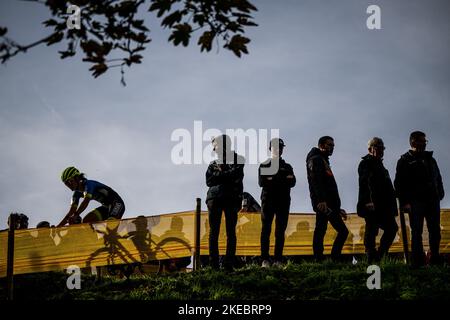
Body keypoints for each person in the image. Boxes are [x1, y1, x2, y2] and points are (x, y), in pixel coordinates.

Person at [394, 131, 445, 267]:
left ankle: (435, 260)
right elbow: (399, 183)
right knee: (416, 232)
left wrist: (440, 193)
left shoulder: (430, 159)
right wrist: (404, 202)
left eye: (425, 141)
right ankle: (418, 262)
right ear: (413, 142)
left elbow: (438, 177)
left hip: (433, 200)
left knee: (435, 231)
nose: (424, 144)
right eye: (421, 141)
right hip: (415, 202)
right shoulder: (404, 160)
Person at [306, 136, 349, 262]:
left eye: (333, 146)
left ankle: (322, 259)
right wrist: (321, 201)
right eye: (329, 145)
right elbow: (316, 181)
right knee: (339, 231)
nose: (332, 148)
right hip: (324, 203)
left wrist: (337, 208)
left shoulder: (323, 160)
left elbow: (328, 184)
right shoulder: (316, 159)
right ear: (321, 145)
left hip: (329, 203)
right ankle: (328, 258)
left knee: (321, 229)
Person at [205, 134, 245, 270]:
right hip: (214, 198)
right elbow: (208, 181)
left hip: (230, 198)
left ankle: (228, 264)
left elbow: (236, 175)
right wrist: (226, 174)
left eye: (215, 146)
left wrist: (220, 175)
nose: (214, 149)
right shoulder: (213, 163)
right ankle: (213, 265)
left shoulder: (238, 159)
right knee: (214, 232)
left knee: (230, 231)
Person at [357, 137, 398, 264]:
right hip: (372, 204)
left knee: (392, 228)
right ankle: (371, 256)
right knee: (371, 230)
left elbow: (387, 187)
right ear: (370, 149)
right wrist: (368, 200)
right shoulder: (366, 163)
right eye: (377, 148)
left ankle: (380, 254)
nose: (380, 151)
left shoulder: (381, 165)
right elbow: (364, 182)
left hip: (385, 205)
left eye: (382, 148)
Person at [258, 138, 296, 267]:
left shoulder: (288, 166)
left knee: (280, 231)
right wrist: (283, 178)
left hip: (283, 201)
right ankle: (265, 259)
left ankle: (278, 259)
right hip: (268, 200)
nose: (278, 150)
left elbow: (293, 182)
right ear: (270, 149)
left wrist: (273, 178)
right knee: (266, 230)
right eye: (275, 147)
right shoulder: (264, 165)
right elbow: (262, 182)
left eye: (280, 147)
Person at [57, 166, 125, 227]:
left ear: (77, 178)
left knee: (110, 224)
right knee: (86, 221)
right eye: (66, 184)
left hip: (117, 203)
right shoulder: (76, 194)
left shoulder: (89, 184)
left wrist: (76, 215)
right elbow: (71, 212)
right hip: (106, 207)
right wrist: (58, 227)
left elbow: (86, 201)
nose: (69, 185)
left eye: (70, 181)